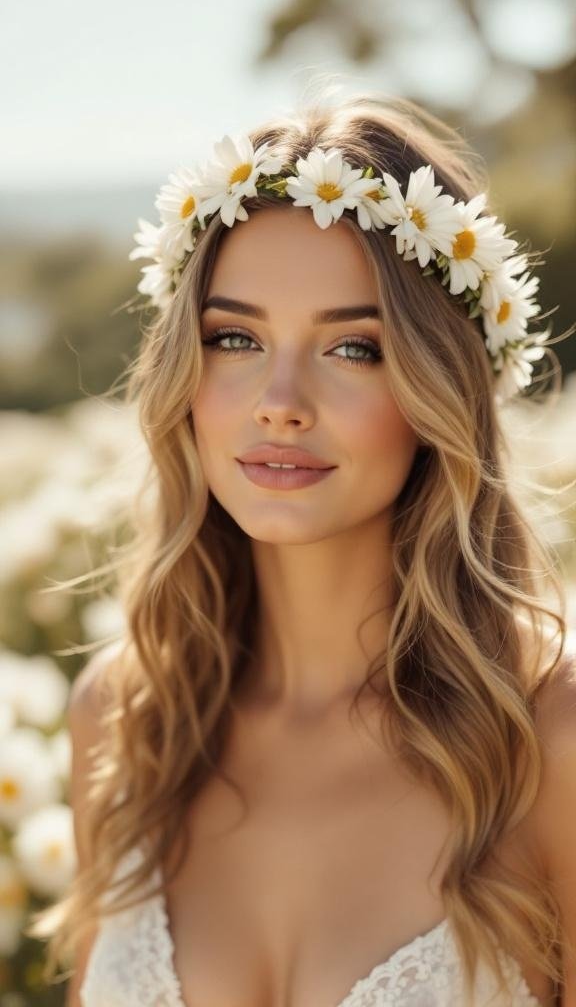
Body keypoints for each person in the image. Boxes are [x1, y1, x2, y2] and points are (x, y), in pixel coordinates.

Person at [29, 91, 576, 1006]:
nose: (278, 400)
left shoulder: (548, 740)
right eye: (235, 338)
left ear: (438, 386)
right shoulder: (127, 725)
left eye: (353, 348)